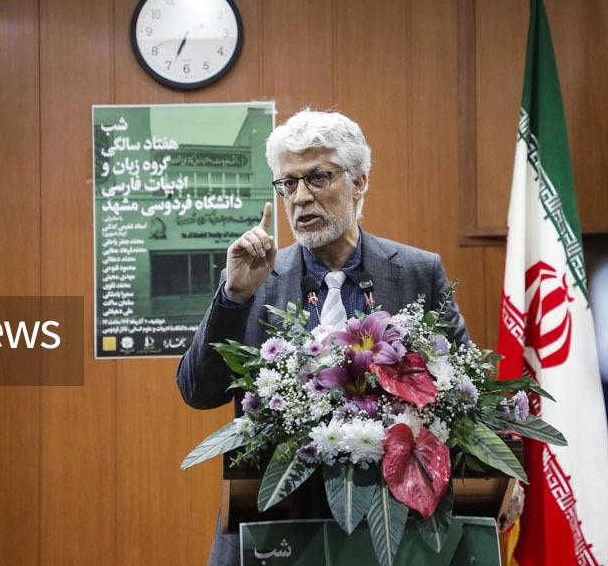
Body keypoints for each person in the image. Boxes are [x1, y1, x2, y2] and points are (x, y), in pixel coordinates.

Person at [176, 109, 470, 566]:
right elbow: (198, 392)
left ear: (359, 182)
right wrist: (233, 296)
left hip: (393, 529)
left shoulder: (418, 272)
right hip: (275, 531)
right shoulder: (254, 278)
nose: (301, 198)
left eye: (318, 177)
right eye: (288, 183)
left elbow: (466, 394)